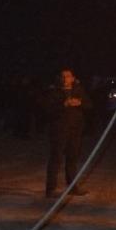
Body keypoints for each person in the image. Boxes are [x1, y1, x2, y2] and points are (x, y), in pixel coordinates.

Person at [45, 67, 91, 198]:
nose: (66, 79)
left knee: (72, 158)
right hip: (59, 129)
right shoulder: (54, 91)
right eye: (64, 76)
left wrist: (80, 102)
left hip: (75, 128)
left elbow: (89, 105)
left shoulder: (78, 90)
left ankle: (72, 186)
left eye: (69, 76)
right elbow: (47, 109)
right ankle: (50, 188)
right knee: (56, 158)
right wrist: (63, 104)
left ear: (73, 78)